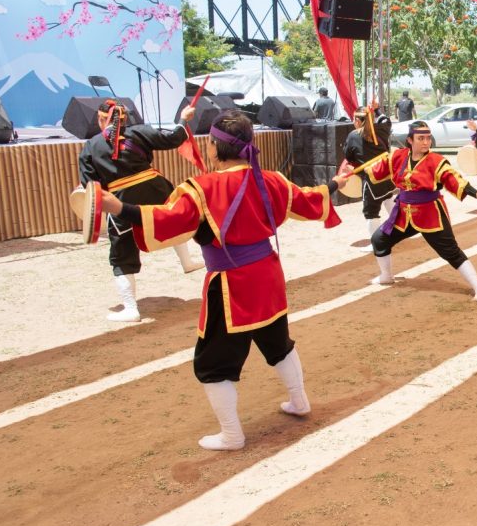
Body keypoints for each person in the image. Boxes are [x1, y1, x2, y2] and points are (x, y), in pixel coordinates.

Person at [95, 110, 348, 450]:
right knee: (278, 343)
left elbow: (169, 220)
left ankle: (232, 434)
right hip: (268, 275)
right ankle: (299, 401)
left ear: (214, 147)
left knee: (212, 364)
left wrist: (120, 208)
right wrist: (335, 183)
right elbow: (307, 199)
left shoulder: (201, 189)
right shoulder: (271, 179)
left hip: (231, 285)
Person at [78, 100, 204, 322]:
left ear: (100, 119)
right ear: (125, 118)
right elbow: (173, 138)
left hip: (122, 200)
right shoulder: (139, 132)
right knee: (171, 220)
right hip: (156, 189)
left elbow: (92, 186)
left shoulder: (91, 147)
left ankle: (131, 308)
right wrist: (184, 118)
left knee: (122, 252)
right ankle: (187, 262)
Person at [367, 121, 477, 301]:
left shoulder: (436, 161)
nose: (426, 142)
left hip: (430, 214)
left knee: (450, 251)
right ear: (410, 140)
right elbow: (375, 171)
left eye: (428, 138)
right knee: (379, 239)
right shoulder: (398, 156)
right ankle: (386, 276)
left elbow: (454, 179)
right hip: (403, 214)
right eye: (421, 138)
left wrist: (476, 193)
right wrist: (354, 170)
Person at [343, 105, 396, 241]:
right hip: (387, 175)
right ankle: (398, 232)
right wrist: (377, 109)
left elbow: (348, 156)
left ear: (357, 121)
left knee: (371, 212)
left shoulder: (354, 135)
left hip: (371, 179)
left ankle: (376, 243)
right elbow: (386, 120)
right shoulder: (382, 128)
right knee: (388, 198)